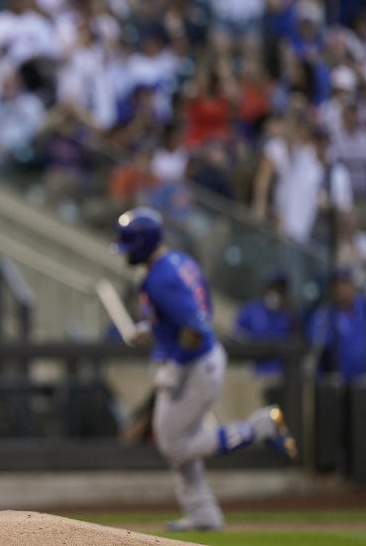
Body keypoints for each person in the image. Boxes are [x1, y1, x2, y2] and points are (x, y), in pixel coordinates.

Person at [112, 208, 297, 532]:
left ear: (143, 243)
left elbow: (196, 326)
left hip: (193, 363)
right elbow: (199, 310)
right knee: (175, 440)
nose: (126, 253)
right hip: (199, 359)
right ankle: (203, 512)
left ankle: (259, 427)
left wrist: (177, 367)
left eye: (129, 245)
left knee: (176, 446)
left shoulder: (160, 277)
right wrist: (151, 328)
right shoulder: (181, 262)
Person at [233, 270, 296, 376]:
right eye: (273, 287)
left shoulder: (289, 316)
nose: (276, 292)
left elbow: (293, 346)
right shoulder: (250, 310)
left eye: (280, 289)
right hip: (253, 373)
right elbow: (236, 337)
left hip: (280, 376)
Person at [307, 268, 365, 383]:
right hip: (335, 384)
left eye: (345, 284)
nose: (341, 289)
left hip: (362, 381)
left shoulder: (362, 308)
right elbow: (316, 349)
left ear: (352, 286)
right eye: (337, 285)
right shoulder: (324, 314)